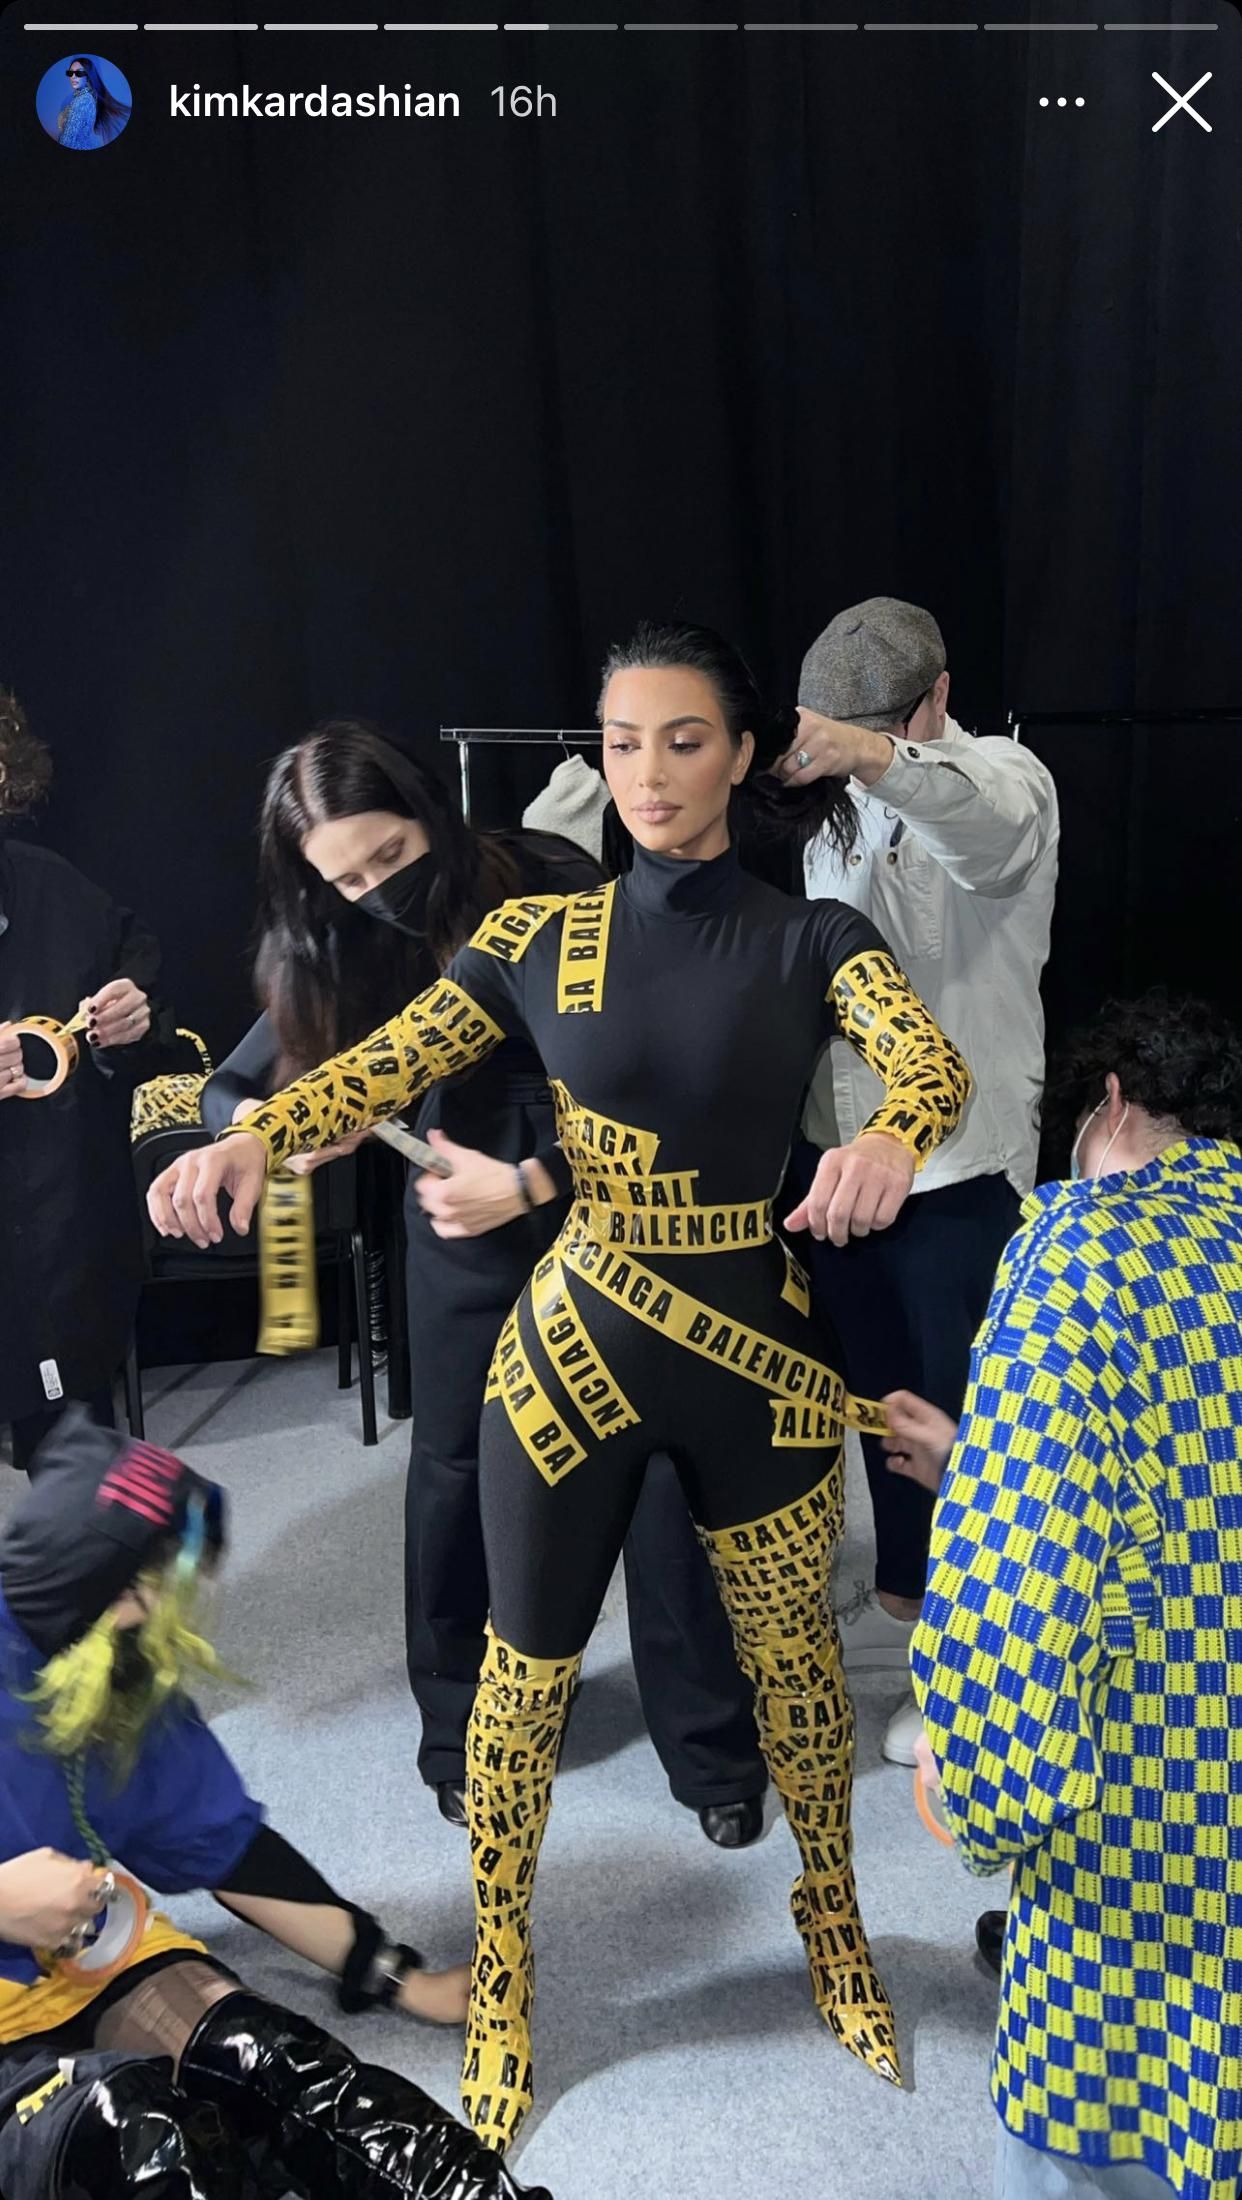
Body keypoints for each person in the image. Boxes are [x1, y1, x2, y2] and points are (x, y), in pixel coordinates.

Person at [148, 621, 972, 2151]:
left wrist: (884, 1140)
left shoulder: (813, 941)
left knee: (798, 1686)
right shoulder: (540, 940)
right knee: (518, 1694)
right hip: (573, 1345)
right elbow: (382, 1063)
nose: (648, 774)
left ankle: (836, 1936)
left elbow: (928, 1066)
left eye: (681, 739)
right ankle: (509, 1981)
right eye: (620, 744)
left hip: (758, 1356)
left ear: (739, 752)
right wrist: (259, 1131)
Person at [202, 722, 767, 1845]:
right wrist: (279, 1129)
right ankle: (459, 1731)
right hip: (453, 1220)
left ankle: (710, 1752)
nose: (373, 893)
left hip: (601, 1203)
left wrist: (532, 1180)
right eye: (344, 878)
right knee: (456, 1469)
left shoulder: (552, 878)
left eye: (388, 859)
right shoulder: (329, 939)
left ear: (430, 817)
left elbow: (666, 1070)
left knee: (656, 1471)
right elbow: (234, 1085)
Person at [0, 1407, 548, 2200]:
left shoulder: (107, 1677)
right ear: (92, 1589)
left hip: (94, 1960)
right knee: (142, 2140)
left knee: (290, 2071)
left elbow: (231, 1851)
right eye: (149, 1590)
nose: (163, 1613)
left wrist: (392, 1974)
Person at [897, 992, 1242, 2200]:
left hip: (1163, 1842)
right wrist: (980, 1447)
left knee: (1102, 2127)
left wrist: (974, 1782)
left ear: (1106, 1105)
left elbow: (1024, 1588)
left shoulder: (1080, 1251)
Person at [778, 597, 1059, 1767]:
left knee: (959, 1424)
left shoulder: (1004, 775)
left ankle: (969, 1682)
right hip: (837, 1165)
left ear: (934, 696)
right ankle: (903, 1593)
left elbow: (976, 831)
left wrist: (870, 752)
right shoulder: (827, 824)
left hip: (957, 1174)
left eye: (869, 728)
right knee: (873, 1404)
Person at [0, 694, 177, 1473]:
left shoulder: (48, 884)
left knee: (75, 1457)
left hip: (59, 1230)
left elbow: (134, 962)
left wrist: (129, 1018)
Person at [56, 55, 131, 147]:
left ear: (88, 76)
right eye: (70, 73)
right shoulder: (86, 97)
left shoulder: (83, 100)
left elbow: (67, 141)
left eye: (79, 73)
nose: (73, 77)